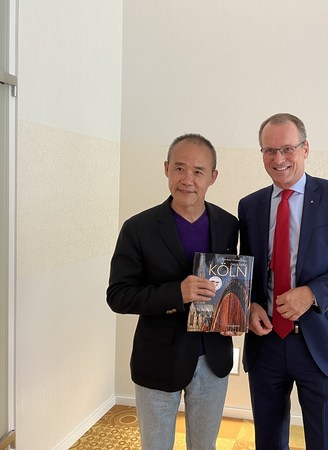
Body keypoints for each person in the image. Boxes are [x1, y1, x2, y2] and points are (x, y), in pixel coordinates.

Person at [238, 113, 328, 450]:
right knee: (268, 442)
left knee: (324, 443)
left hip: (320, 343)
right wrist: (249, 304)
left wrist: (312, 293)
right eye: (270, 150)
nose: (279, 158)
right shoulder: (250, 206)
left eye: (287, 148)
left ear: (305, 149)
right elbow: (246, 270)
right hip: (266, 343)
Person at [107, 133, 239, 450]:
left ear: (213, 177)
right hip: (157, 359)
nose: (187, 180)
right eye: (179, 168)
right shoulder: (138, 228)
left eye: (198, 171)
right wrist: (176, 294)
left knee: (204, 446)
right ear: (166, 169)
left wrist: (238, 310)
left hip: (212, 358)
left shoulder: (228, 224)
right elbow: (118, 295)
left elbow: (233, 282)